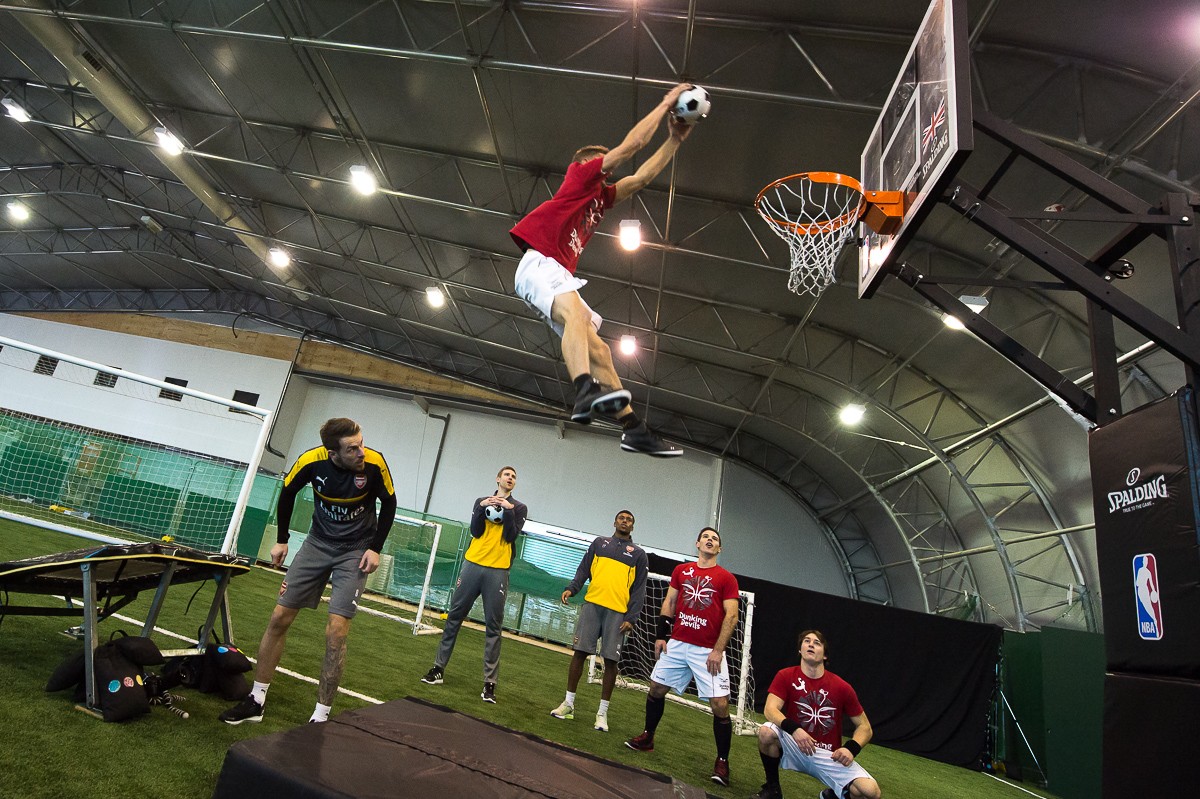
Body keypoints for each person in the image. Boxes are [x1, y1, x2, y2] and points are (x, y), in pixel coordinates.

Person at [509, 82, 696, 458]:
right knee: (577, 318)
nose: (607, 170)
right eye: (603, 163)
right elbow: (632, 146)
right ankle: (583, 390)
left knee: (600, 350)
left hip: (554, 272)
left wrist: (675, 140)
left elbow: (641, 178)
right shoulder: (580, 176)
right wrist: (665, 104)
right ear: (587, 164)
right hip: (540, 261)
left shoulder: (600, 197)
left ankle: (634, 428)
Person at [220, 417, 396, 725]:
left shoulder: (374, 464)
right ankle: (256, 699)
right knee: (279, 617)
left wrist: (375, 548)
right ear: (332, 452)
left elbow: (390, 503)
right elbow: (287, 492)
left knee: (337, 631)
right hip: (317, 544)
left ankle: (321, 716)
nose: (361, 452)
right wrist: (282, 540)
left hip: (355, 551)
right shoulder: (310, 461)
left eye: (361, 444)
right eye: (352, 448)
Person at [625, 527, 740, 787]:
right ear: (697, 543)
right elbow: (670, 602)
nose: (710, 540)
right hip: (677, 644)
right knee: (656, 688)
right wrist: (661, 635)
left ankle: (722, 762)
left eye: (715, 539)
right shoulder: (681, 571)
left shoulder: (726, 578)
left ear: (719, 549)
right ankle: (648, 737)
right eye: (706, 537)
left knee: (720, 705)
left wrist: (718, 650)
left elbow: (731, 616)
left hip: (707, 650)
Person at [421, 466, 528, 703]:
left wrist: (508, 510)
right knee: (454, 617)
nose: (510, 478)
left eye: (514, 477)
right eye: (507, 475)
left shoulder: (519, 508)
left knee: (493, 627)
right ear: (498, 478)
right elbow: (476, 531)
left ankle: (490, 684)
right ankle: (438, 668)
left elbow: (510, 536)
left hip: (498, 571)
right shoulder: (481, 501)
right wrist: (481, 508)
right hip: (472, 565)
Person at [748, 630, 882, 799]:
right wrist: (795, 729)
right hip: (795, 744)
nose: (811, 644)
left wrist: (851, 748)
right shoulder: (786, 675)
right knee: (767, 731)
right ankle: (772, 789)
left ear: (825, 655)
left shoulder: (842, 687)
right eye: (806, 641)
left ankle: (832, 796)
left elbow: (865, 727)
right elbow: (770, 709)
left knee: (870, 792)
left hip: (828, 755)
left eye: (817, 642)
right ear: (800, 650)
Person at [550, 509, 648, 732]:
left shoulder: (639, 554)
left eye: (629, 520)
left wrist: (632, 617)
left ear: (633, 526)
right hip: (593, 605)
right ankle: (568, 704)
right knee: (579, 653)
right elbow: (583, 569)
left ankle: (602, 713)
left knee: (611, 661)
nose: (625, 521)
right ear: (614, 522)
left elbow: (639, 589)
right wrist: (572, 588)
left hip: (618, 612)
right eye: (621, 518)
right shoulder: (599, 543)